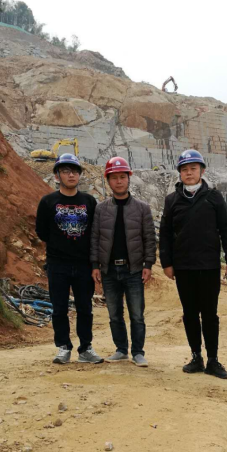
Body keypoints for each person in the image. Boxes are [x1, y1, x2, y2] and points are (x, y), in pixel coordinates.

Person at [159, 149, 227, 379]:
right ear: (180, 173)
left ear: (201, 171)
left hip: (209, 266)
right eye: (184, 169)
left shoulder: (214, 197)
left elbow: (226, 229)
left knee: (210, 314)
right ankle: (196, 357)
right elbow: (165, 234)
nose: (189, 173)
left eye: (193, 168)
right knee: (190, 314)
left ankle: (213, 360)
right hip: (183, 267)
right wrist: (167, 263)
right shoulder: (172, 200)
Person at [35, 153, 103, 365]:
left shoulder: (89, 201)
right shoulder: (48, 202)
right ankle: (63, 347)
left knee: (85, 308)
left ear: (79, 175)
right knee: (59, 308)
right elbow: (42, 231)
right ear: (57, 176)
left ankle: (86, 348)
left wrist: (94, 264)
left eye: (74, 171)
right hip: (57, 264)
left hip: (83, 265)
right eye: (65, 171)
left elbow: (95, 233)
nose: (71, 175)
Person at [90, 156, 156, 367]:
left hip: (133, 269)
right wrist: (95, 265)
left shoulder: (142, 208)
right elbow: (95, 238)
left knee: (137, 314)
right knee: (114, 314)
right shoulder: (101, 209)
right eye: (114, 177)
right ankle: (121, 350)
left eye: (122, 177)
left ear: (129, 178)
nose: (118, 181)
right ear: (108, 180)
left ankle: (138, 352)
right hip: (109, 271)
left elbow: (149, 238)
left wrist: (148, 265)